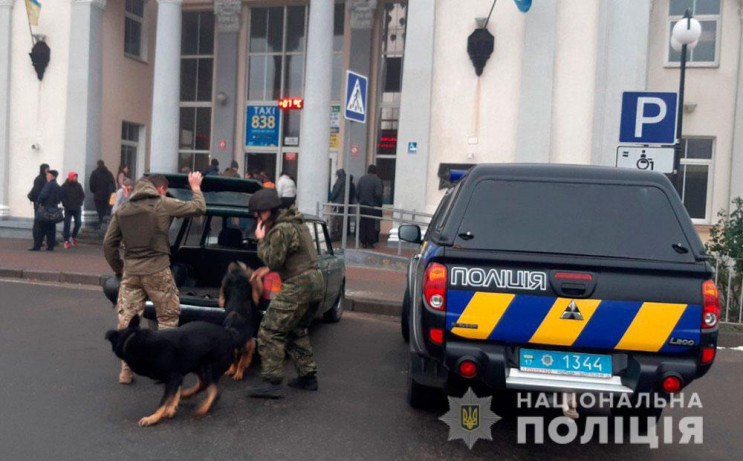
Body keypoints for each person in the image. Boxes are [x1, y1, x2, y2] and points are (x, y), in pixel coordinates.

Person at [103, 173, 206, 384]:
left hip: (131, 272)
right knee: (167, 318)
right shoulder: (162, 204)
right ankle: (165, 366)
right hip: (157, 270)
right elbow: (198, 208)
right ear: (160, 189)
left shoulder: (123, 209)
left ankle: (126, 370)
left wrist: (119, 268)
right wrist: (195, 187)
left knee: (127, 318)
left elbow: (108, 244)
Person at [246, 189, 324, 398]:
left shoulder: (281, 230)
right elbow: (288, 258)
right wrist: (267, 270)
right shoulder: (296, 223)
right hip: (314, 282)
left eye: (258, 213)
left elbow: (272, 260)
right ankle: (308, 377)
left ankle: (271, 382)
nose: (256, 218)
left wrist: (261, 240)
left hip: (299, 285)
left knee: (270, 330)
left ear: (269, 211)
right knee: (295, 330)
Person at [32, 170, 62, 251]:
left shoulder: (49, 185)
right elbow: (60, 197)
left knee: (41, 228)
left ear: (53, 177)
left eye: (49, 175)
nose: (47, 176)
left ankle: (37, 246)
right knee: (51, 229)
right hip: (54, 209)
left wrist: (38, 202)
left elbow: (43, 195)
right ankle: (50, 246)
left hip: (46, 209)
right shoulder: (57, 186)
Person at [356, 164, 384, 248]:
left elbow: (357, 193)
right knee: (371, 225)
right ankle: (371, 242)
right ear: (375, 171)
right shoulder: (377, 180)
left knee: (363, 224)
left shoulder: (361, 179)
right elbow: (379, 194)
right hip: (373, 207)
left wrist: (360, 201)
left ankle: (363, 241)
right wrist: (379, 204)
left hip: (363, 206)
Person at [27, 163, 50, 248]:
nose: (48, 171)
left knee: (45, 222)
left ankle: (44, 240)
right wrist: (39, 201)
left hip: (44, 204)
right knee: (38, 223)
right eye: (47, 169)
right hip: (39, 204)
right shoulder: (39, 179)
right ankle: (37, 240)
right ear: (43, 169)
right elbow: (37, 192)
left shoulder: (46, 179)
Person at [89, 160, 116, 229]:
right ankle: (105, 225)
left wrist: (94, 191)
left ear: (97, 165)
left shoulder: (95, 173)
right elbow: (113, 184)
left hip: (98, 196)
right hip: (107, 196)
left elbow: (91, 184)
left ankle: (100, 223)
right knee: (106, 211)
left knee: (100, 211)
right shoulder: (109, 173)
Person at [61, 171, 85, 249]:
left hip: (77, 208)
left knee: (78, 223)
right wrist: (66, 204)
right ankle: (66, 241)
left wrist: (80, 203)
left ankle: (73, 237)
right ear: (70, 177)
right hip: (68, 208)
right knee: (67, 224)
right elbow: (62, 196)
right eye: (74, 177)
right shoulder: (64, 186)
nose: (76, 178)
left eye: (76, 177)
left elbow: (82, 195)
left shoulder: (79, 185)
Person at [329, 169, 355, 241]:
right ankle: (340, 234)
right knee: (342, 219)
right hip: (344, 203)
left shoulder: (340, 181)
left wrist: (331, 198)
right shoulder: (347, 182)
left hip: (338, 203)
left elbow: (336, 191)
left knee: (335, 219)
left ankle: (334, 234)